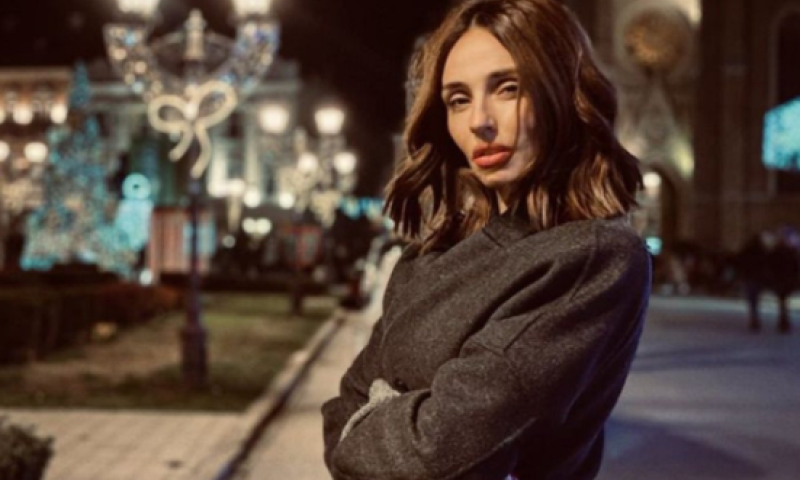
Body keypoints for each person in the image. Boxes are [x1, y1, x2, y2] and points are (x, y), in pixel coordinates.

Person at [321, 0, 651, 479]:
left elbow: (436, 454)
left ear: (562, 91)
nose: (479, 120)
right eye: (458, 99)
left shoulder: (591, 256)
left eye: (508, 88)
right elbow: (338, 413)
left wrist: (375, 412)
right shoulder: (429, 255)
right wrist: (398, 418)